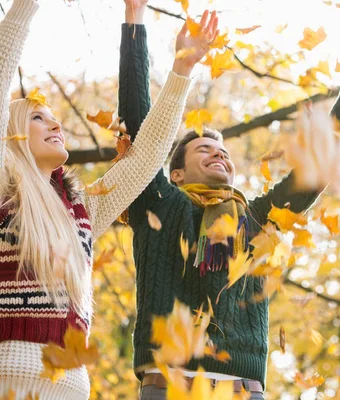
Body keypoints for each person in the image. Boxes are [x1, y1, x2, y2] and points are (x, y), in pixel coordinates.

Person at [119, 2, 340, 399]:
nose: (218, 154)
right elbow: (138, 127)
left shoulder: (254, 220)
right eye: (204, 149)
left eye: (223, 151)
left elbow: (318, 165)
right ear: (176, 173)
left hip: (243, 391)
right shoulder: (159, 202)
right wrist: (136, 21)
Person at [0, 0, 219, 398]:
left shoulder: (82, 209)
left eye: (52, 117)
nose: (55, 123)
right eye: (36, 118)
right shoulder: (3, 189)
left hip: (70, 386)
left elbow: (149, 153)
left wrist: (182, 70)